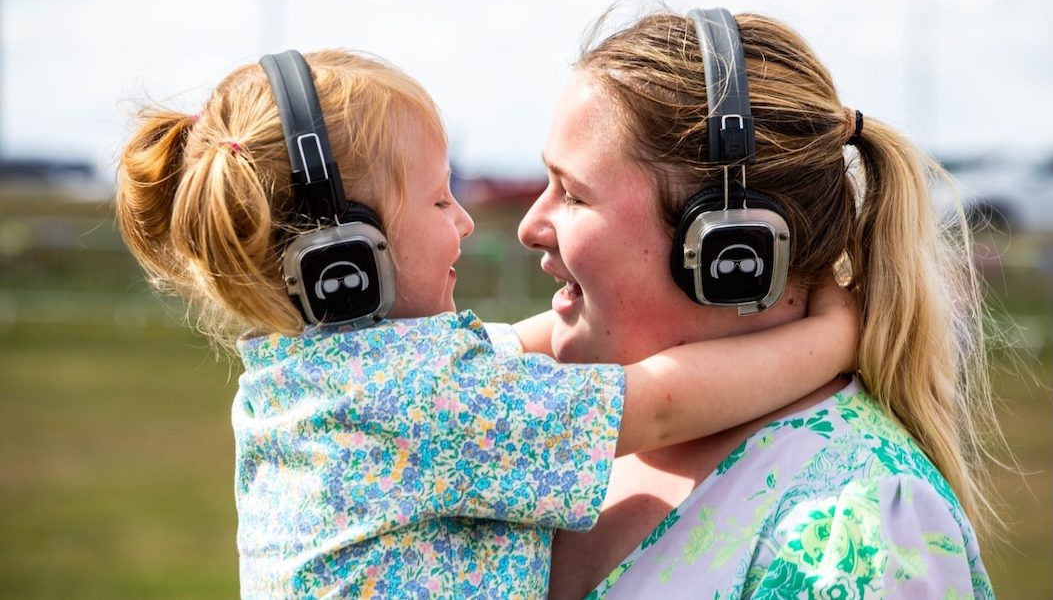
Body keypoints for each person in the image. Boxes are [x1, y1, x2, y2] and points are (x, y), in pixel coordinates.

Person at [114, 48, 857, 598]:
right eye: (439, 202)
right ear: (341, 261)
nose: (466, 221)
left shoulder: (321, 377)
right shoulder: (425, 401)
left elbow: (513, 346)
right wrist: (831, 336)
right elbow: (658, 402)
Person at [517, 7, 999, 598]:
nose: (530, 225)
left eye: (572, 194)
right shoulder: (565, 430)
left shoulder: (857, 532)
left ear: (729, 248)